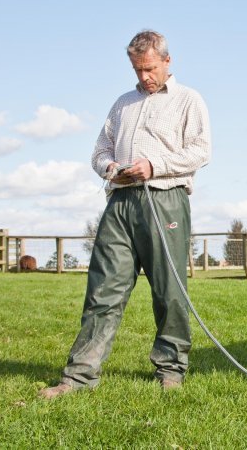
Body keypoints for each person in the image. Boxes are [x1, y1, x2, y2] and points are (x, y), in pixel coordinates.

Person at [39, 30, 211, 398]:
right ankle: (79, 375)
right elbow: (99, 150)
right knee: (103, 290)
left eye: (149, 68)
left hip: (165, 199)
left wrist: (155, 165)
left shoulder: (188, 100)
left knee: (169, 291)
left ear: (167, 61)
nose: (143, 77)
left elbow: (201, 150)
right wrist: (111, 167)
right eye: (137, 70)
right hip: (119, 204)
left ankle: (170, 368)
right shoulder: (122, 104)